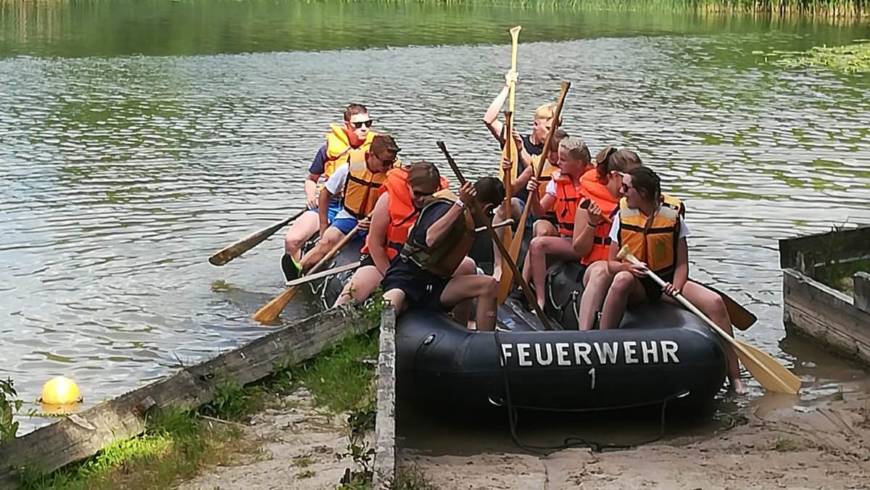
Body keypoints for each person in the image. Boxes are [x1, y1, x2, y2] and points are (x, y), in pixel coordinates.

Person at [598, 166, 745, 392]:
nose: (622, 191)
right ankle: (601, 347)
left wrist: (676, 286)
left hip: (667, 282)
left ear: (643, 193)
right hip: (638, 285)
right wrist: (628, 267)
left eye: (626, 187)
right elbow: (611, 265)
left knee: (715, 302)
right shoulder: (622, 215)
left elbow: (682, 263)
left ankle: (735, 377)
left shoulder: (673, 217)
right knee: (620, 281)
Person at [382, 177, 505, 331]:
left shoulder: (468, 222)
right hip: (408, 278)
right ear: (487, 208)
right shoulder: (449, 208)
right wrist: (461, 204)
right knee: (394, 300)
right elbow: (431, 238)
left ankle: (474, 339)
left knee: (488, 284)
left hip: (435, 283)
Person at [334, 161, 450, 306]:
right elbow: (375, 244)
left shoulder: (443, 204)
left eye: (428, 195)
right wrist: (390, 277)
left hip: (419, 266)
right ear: (408, 186)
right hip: (385, 262)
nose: (422, 199)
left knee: (468, 265)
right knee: (350, 293)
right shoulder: (388, 199)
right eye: (418, 193)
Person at [282, 103, 377, 280]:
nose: (364, 129)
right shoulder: (328, 150)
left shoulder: (377, 153)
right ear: (347, 126)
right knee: (292, 240)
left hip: (356, 208)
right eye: (358, 125)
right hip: (330, 204)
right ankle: (296, 278)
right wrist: (311, 197)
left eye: (368, 123)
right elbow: (312, 179)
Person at [295, 134, 400, 273]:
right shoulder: (349, 168)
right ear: (371, 155)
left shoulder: (394, 175)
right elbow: (325, 194)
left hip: (377, 222)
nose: (389, 167)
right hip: (349, 217)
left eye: (392, 162)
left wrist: (375, 223)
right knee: (327, 240)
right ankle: (299, 268)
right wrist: (323, 225)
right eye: (385, 162)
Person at [573, 148, 641, 330]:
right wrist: (592, 224)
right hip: (596, 265)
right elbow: (579, 250)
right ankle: (584, 335)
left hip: (629, 269)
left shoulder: (637, 203)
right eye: (631, 176)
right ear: (615, 175)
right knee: (602, 271)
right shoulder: (588, 202)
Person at [521, 137, 593, 309]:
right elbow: (539, 212)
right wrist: (533, 196)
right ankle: (539, 298)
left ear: (578, 163)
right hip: (568, 239)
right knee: (537, 244)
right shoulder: (558, 181)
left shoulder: (594, 183)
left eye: (563, 160)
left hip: (587, 245)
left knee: (539, 245)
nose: (558, 163)